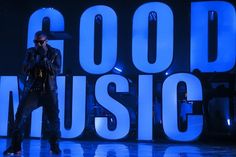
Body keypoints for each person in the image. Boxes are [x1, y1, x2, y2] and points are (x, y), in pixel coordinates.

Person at [4, 31, 62, 155]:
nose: (38, 45)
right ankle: (16, 147)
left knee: (53, 120)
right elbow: (24, 69)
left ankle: (54, 146)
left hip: (49, 91)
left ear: (46, 41)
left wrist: (45, 60)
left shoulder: (55, 52)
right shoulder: (30, 52)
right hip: (32, 91)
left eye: (41, 42)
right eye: (36, 42)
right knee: (20, 117)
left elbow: (57, 70)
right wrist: (35, 61)